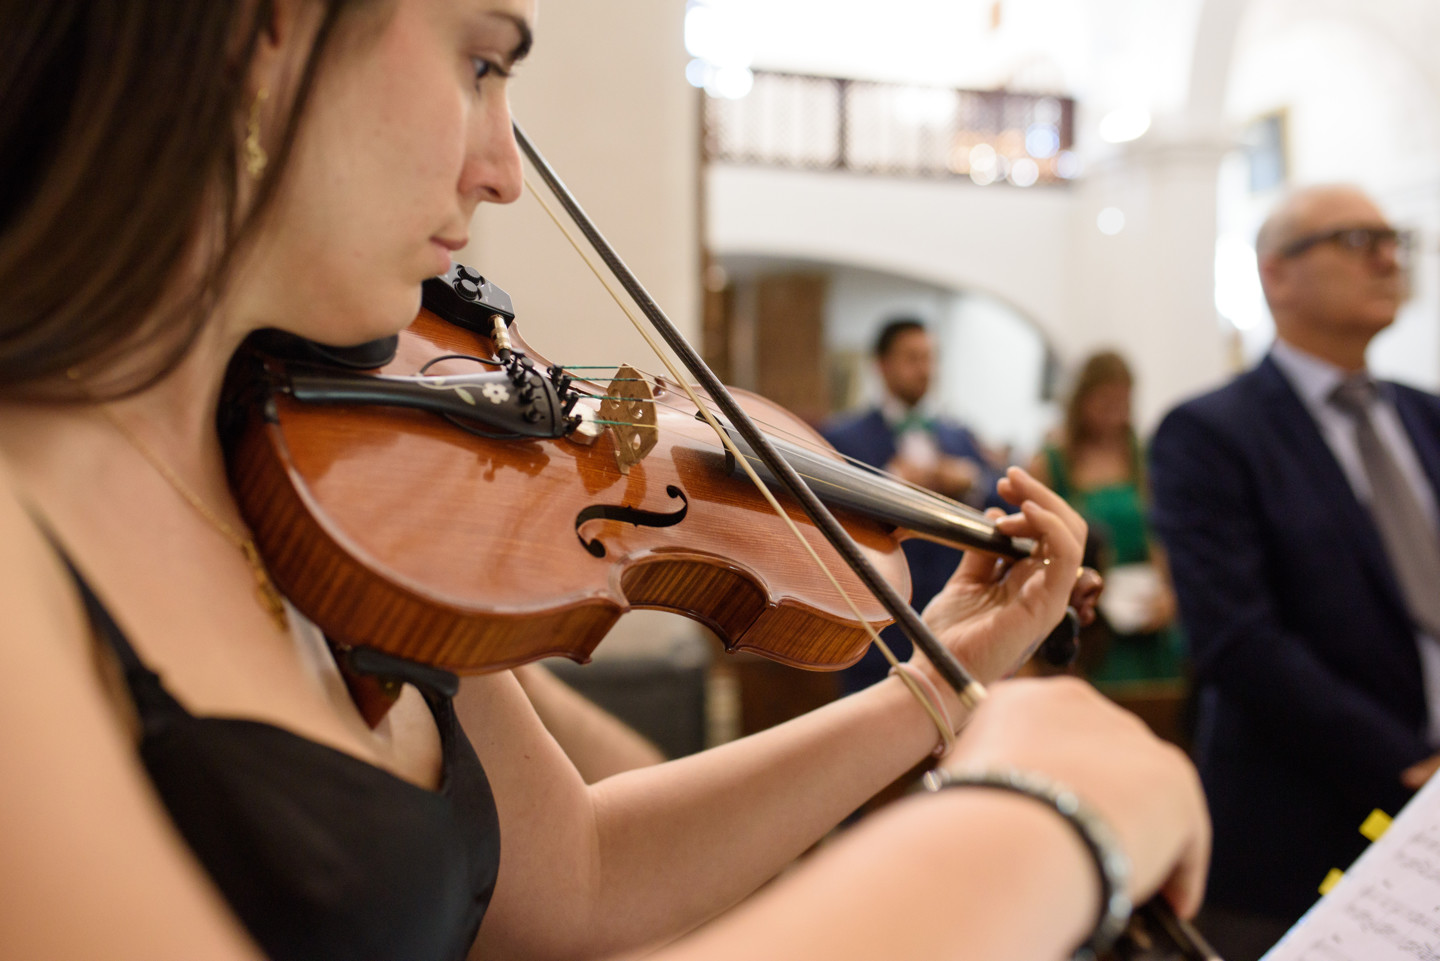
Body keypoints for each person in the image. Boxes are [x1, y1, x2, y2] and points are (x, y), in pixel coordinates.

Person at [0, 3, 1210, 960]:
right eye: (482, 61)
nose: (502, 169)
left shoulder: (330, 487)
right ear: (258, 31)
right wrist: (1042, 830)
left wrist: (931, 686)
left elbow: (575, 879)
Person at [1150, 184, 1439, 960]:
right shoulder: (1210, 432)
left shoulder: (1426, 415)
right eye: (1354, 239)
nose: (1387, 257)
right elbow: (1236, 637)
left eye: (1392, 238)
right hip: (1298, 824)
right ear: (1276, 274)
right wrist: (1407, 762)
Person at [822, 318, 1003, 692]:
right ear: (882, 365)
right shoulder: (843, 438)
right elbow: (827, 520)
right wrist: (892, 484)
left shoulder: (959, 436)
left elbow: (998, 510)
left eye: (929, 358)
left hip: (953, 627)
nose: (925, 369)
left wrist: (970, 481)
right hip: (877, 633)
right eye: (912, 358)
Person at [1031, 351, 1183, 693]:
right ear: (1082, 400)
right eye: (1105, 403)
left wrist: (1169, 594)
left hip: (1143, 607)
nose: (1116, 415)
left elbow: (1161, 533)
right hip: (1086, 615)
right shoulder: (1053, 462)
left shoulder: (1141, 456)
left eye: (1123, 403)